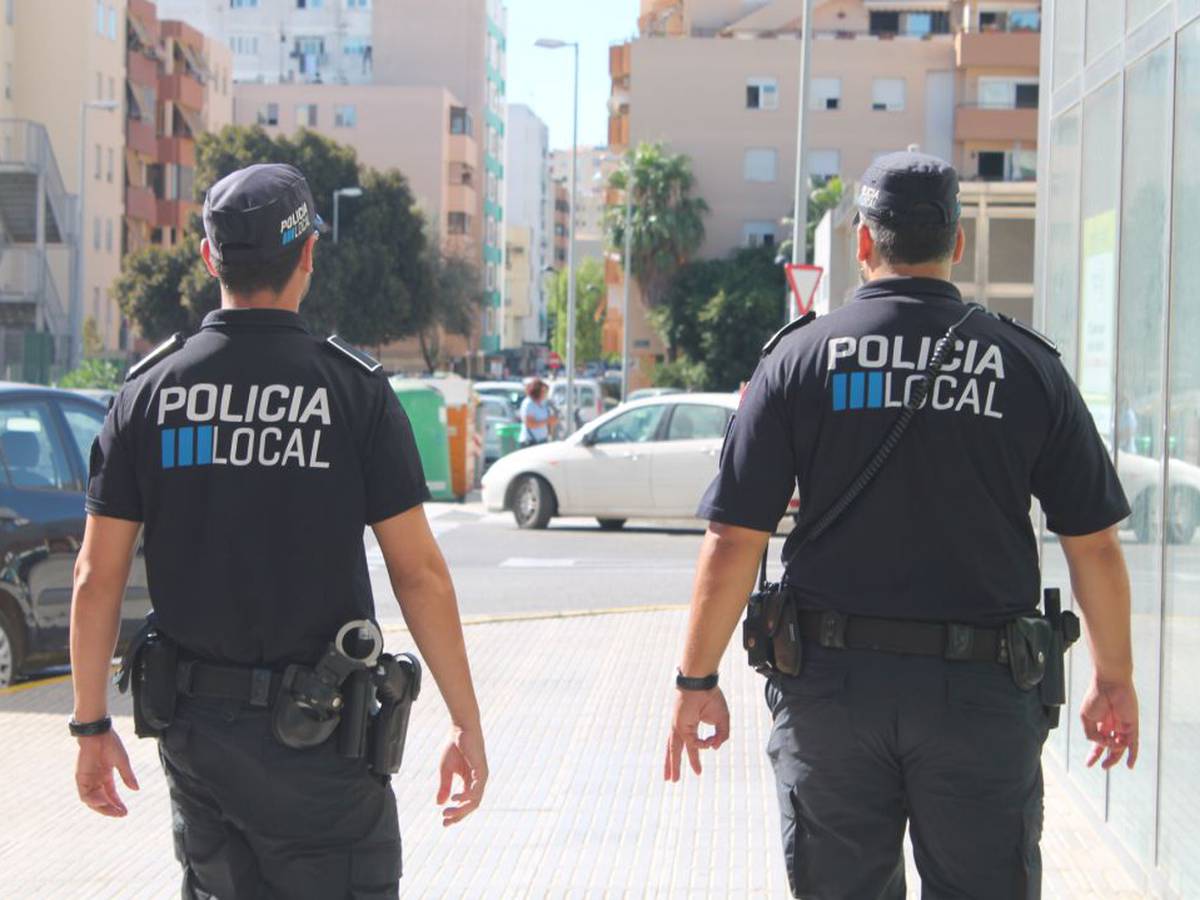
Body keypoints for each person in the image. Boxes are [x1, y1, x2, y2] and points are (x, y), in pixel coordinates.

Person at [663, 152, 1138, 898]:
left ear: (862, 243)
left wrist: (697, 678)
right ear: (957, 244)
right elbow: (1096, 546)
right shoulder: (1026, 365)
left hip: (830, 695)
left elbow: (732, 541)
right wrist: (1113, 676)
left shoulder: (800, 360)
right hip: (982, 697)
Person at [69, 163, 488, 899]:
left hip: (199, 741)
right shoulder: (352, 391)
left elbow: (95, 576)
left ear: (209, 259)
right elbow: (417, 571)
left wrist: (88, 726)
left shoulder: (149, 392)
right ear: (308, 256)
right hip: (322, 748)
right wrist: (464, 721)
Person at [518, 377, 556, 447]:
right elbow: (530, 424)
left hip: (542, 441)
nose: (545, 394)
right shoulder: (528, 403)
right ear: (537, 391)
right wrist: (547, 421)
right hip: (530, 442)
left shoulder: (543, 403)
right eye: (543, 392)